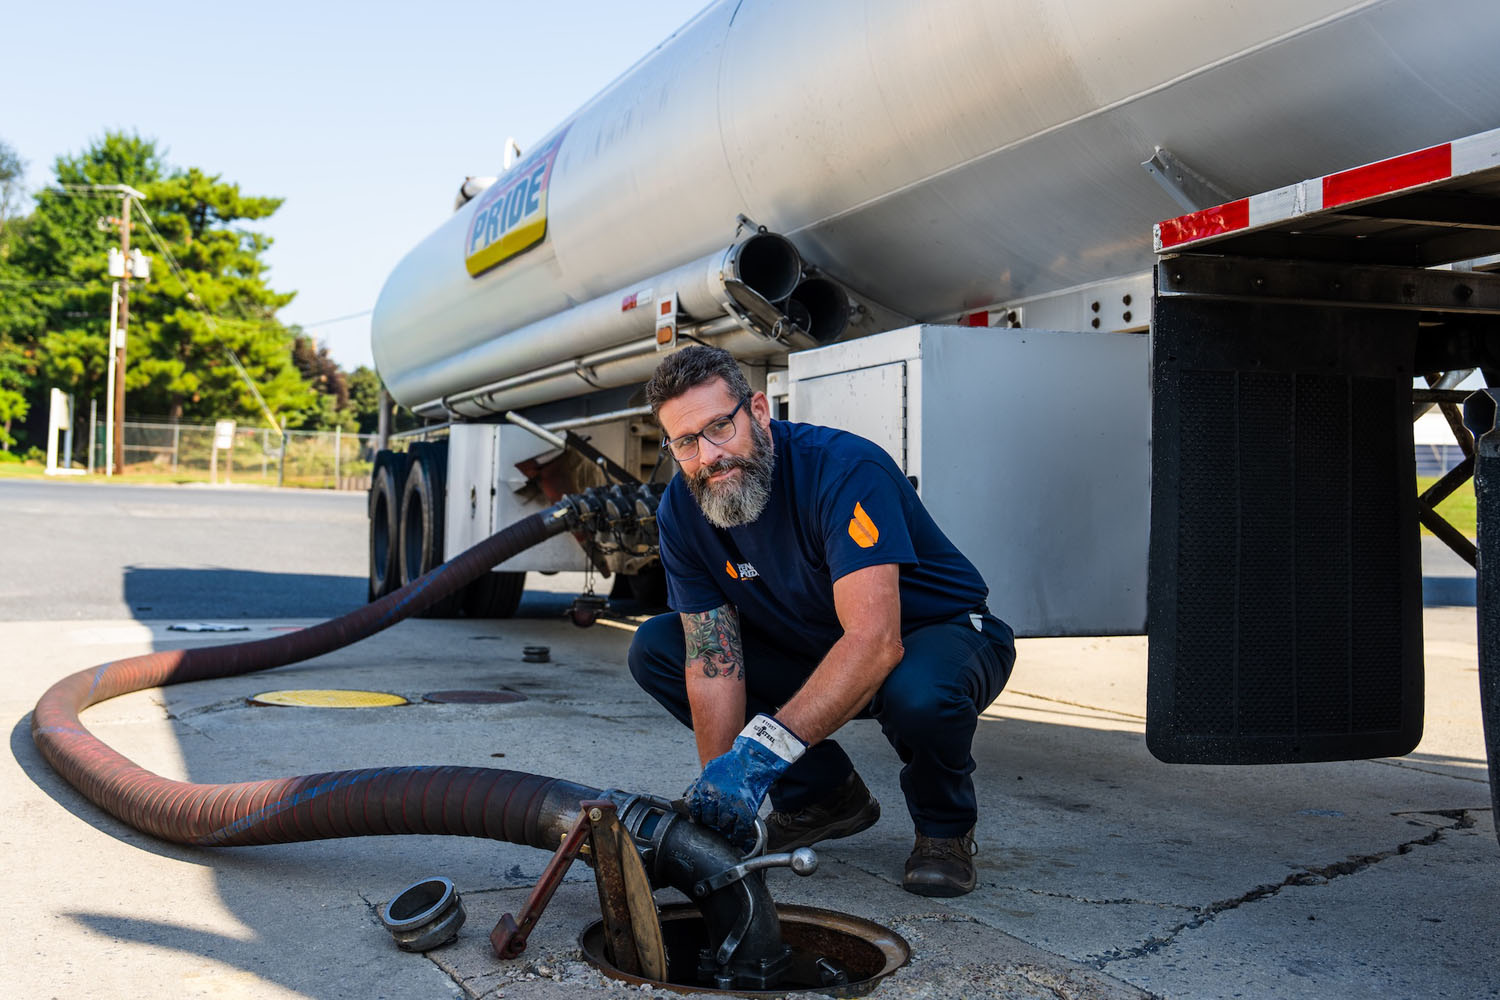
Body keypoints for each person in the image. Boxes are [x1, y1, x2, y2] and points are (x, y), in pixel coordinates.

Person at [627, 346, 1015, 897]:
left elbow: (876, 642)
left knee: (920, 695)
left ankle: (944, 831)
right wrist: (726, 788)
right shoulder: (683, 510)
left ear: (758, 411)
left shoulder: (843, 469)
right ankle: (822, 797)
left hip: (935, 635)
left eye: (719, 427)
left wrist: (760, 754)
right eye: (686, 442)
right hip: (818, 645)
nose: (709, 456)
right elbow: (715, 664)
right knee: (657, 647)